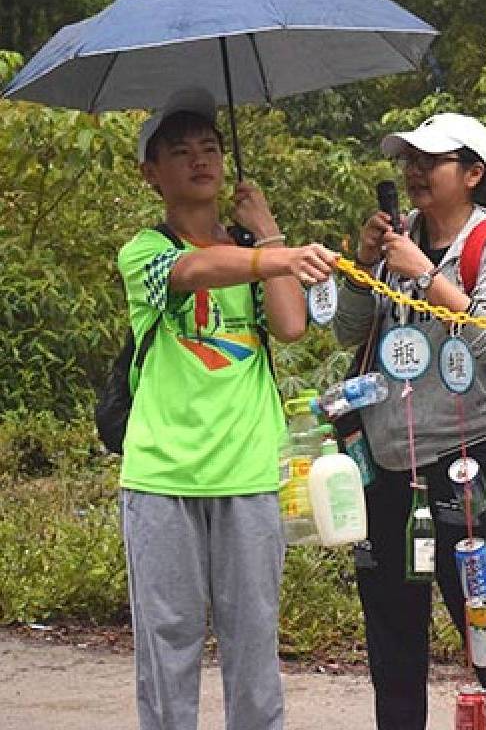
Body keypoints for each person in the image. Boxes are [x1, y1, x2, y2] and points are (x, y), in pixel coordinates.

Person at [117, 86, 339, 730]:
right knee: (168, 644)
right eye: (180, 153)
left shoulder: (255, 248)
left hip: (248, 471)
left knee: (254, 643)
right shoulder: (145, 252)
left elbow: (292, 324)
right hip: (163, 475)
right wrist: (273, 256)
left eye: (210, 148)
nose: (200, 161)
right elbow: (192, 271)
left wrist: (270, 232)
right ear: (151, 173)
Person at [332, 113, 486, 730]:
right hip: (386, 456)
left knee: (483, 610)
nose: (416, 171)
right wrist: (365, 260)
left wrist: (425, 272)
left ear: (473, 173)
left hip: (462, 455)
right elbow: (350, 331)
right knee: (391, 625)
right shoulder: (396, 240)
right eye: (410, 160)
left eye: (433, 160)